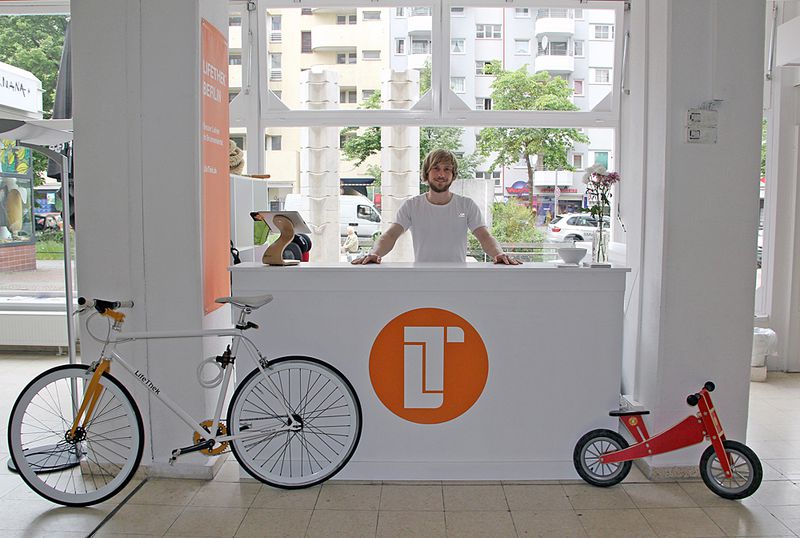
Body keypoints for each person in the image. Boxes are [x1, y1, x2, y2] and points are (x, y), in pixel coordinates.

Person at [352, 149, 521, 265]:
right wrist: (374, 254)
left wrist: (499, 254)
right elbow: (390, 235)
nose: (441, 174)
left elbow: (485, 237)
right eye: (436, 168)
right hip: (423, 279)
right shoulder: (412, 205)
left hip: (457, 279)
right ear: (426, 173)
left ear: (453, 175)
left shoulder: (466, 205)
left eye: (447, 169)